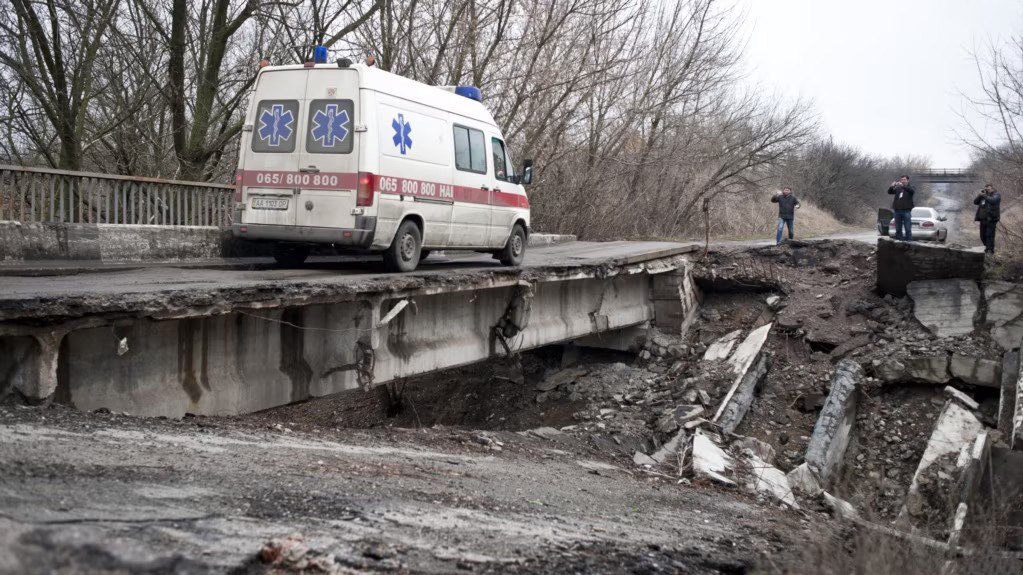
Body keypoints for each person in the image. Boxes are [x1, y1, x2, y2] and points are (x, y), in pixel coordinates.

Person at [974, 184, 1001, 254]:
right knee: (982, 235)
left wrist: (984, 195)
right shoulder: (984, 195)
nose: (987, 190)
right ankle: (987, 248)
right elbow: (975, 202)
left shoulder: (996, 194)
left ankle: (990, 250)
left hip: (991, 219)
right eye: (986, 189)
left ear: (993, 188)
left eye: (989, 189)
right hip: (983, 220)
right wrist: (980, 195)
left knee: (989, 235)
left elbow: (993, 201)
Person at [887, 175, 915, 241]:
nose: (903, 181)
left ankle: (909, 243)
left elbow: (911, 191)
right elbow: (890, 192)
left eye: (904, 180)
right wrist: (892, 186)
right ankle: (899, 242)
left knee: (907, 228)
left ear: (908, 180)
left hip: (906, 211)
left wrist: (903, 186)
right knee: (898, 228)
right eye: (902, 180)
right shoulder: (898, 188)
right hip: (897, 211)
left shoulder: (911, 187)